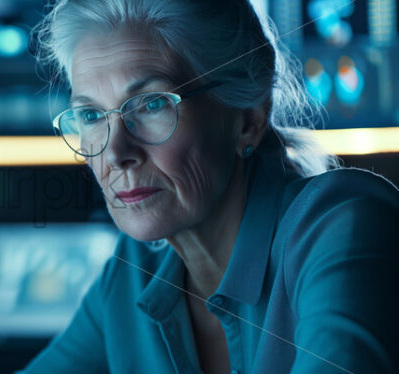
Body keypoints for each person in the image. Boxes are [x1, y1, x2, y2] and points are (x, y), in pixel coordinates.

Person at [20, 0, 399, 373]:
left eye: (151, 105)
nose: (116, 152)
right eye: (90, 115)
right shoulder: (135, 272)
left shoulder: (342, 225)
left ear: (249, 117)